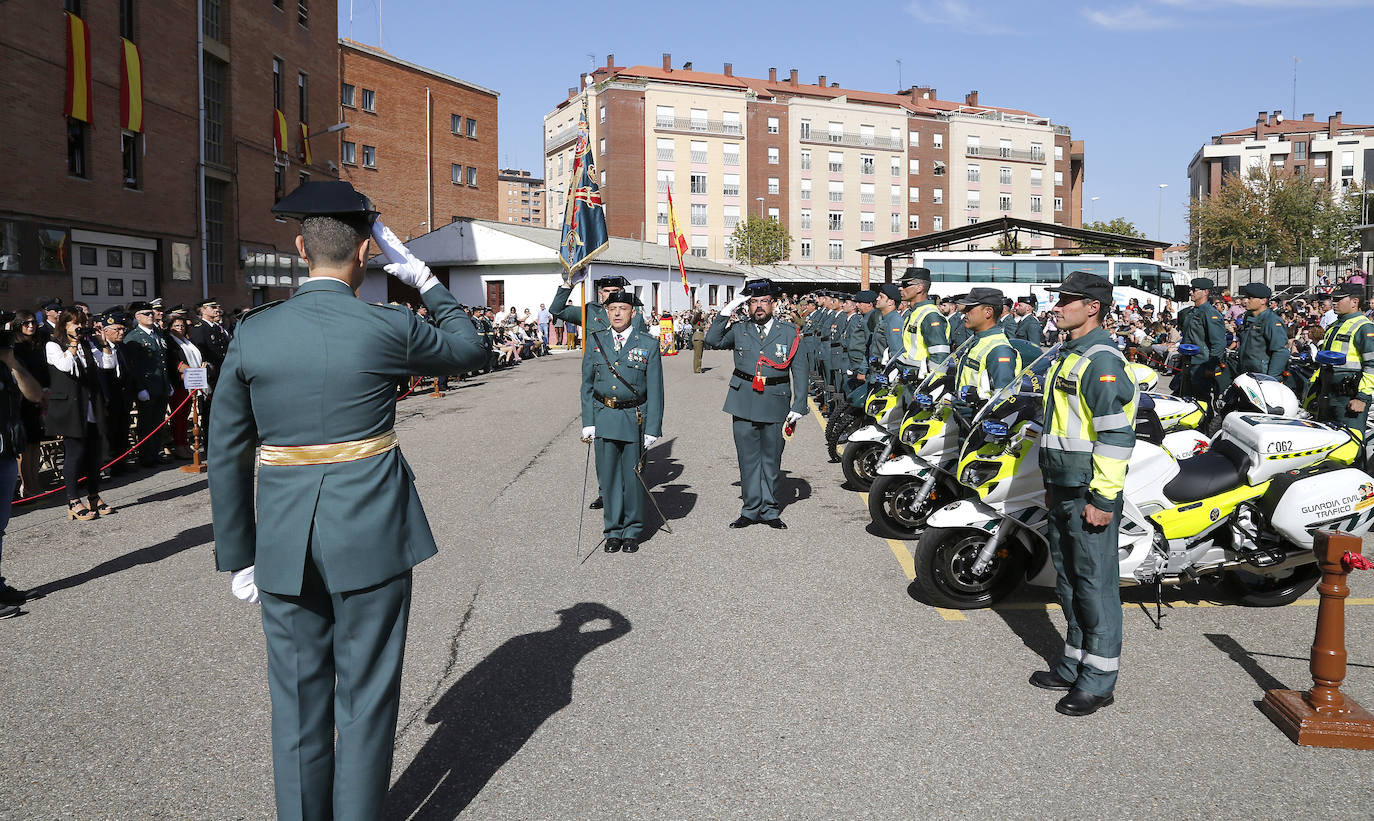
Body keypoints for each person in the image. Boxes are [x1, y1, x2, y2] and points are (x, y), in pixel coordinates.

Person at [209, 181, 486, 821]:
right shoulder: (386, 325)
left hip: (281, 539)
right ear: (367, 252)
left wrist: (238, 553)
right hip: (370, 533)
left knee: (298, 703)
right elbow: (470, 347)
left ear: (301, 247)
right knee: (364, 700)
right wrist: (420, 275)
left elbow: (226, 452)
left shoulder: (253, 333)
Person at [1032, 270, 1138, 717]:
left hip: (1088, 490)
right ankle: (1075, 662)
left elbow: (1116, 438)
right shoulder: (1068, 353)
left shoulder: (1101, 360)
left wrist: (1103, 500)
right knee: (1071, 581)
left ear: (1092, 307)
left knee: (1096, 586)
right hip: (1062, 484)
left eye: (1067, 300)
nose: (1057, 306)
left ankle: (1098, 681)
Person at [705, 278, 807, 530]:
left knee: (771, 459)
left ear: (773, 304)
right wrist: (726, 311)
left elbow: (801, 370)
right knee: (747, 459)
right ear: (747, 306)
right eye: (753, 302)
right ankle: (750, 509)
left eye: (763, 301)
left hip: (776, 400)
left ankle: (770, 509)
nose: (759, 306)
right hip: (743, 401)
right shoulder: (740, 329)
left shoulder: (789, 332)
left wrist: (799, 404)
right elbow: (712, 340)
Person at [580, 291, 664, 554]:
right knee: (609, 479)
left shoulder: (648, 344)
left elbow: (656, 389)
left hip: (634, 418)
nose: (617, 313)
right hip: (605, 416)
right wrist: (588, 421)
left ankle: (632, 530)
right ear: (606, 312)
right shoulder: (596, 341)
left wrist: (653, 427)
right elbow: (587, 386)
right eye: (612, 308)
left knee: (633, 477)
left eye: (622, 308)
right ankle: (613, 531)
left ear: (633, 312)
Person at [45, 309, 114, 521]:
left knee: (94, 454)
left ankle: (94, 495)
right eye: (74, 323)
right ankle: (73, 500)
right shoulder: (53, 344)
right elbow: (65, 366)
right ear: (64, 324)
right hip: (70, 407)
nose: (79, 326)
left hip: (90, 404)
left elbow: (108, 365)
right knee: (75, 454)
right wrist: (73, 343)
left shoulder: (88, 343)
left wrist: (103, 343)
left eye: (82, 323)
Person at [0, 313, 45, 617]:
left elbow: (34, 395)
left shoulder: (6, 363)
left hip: (5, 450)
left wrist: (13, 363)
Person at [1314, 282, 1374, 442]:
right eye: (1334, 299)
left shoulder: (1365, 327)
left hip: (1349, 399)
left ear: (1355, 302)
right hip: (1328, 395)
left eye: (1340, 299)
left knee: (1349, 444)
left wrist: (1362, 398)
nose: (1334, 302)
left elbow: (1372, 366)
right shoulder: (1334, 326)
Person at [122, 300, 171, 466]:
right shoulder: (133, 337)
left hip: (161, 384)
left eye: (151, 313)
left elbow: (163, 361)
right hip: (147, 386)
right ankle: (146, 456)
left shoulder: (157, 333)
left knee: (158, 422)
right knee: (146, 423)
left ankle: (156, 452)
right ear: (137, 316)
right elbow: (134, 367)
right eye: (146, 314)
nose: (151, 316)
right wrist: (141, 388)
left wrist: (168, 382)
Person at [953, 288, 1021, 406]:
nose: (964, 312)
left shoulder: (999, 349)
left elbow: (1003, 401)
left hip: (976, 420)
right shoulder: (978, 340)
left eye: (970, 309)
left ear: (988, 312)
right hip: (963, 415)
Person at [11, 311, 48, 498]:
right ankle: (26, 486)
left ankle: (35, 482)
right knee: (24, 447)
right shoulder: (14, 348)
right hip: (21, 402)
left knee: (35, 444)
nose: (31, 326)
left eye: (33, 322)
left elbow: (42, 372)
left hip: (37, 399)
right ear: (18, 325)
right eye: (26, 323)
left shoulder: (36, 346)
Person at [164, 311, 205, 460]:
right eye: (176, 326)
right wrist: (192, 371)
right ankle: (179, 445)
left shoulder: (187, 341)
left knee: (187, 415)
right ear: (170, 327)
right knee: (179, 416)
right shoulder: (170, 341)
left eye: (182, 325)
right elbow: (175, 362)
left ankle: (185, 445)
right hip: (179, 382)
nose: (180, 328)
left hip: (192, 381)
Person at [1176, 277, 1226, 402]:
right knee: (1185, 397)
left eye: (1194, 290)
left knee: (1201, 400)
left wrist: (1210, 367)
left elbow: (1218, 343)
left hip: (1201, 364)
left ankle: (1207, 421)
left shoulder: (1210, 313)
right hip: (1188, 362)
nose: (1190, 292)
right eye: (1190, 289)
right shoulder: (1191, 312)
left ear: (1206, 292)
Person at [896, 268, 951, 376]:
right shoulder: (915, 312)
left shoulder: (930, 316)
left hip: (920, 382)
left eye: (905, 284)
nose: (900, 288)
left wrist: (930, 386)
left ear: (919, 288)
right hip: (910, 377)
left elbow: (939, 356)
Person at [1233, 282, 1289, 379]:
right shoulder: (1249, 318)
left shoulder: (1271, 320)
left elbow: (1280, 351)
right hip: (1245, 371)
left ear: (1263, 301)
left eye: (1250, 298)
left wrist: (1271, 378)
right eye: (1246, 297)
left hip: (1261, 374)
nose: (1246, 301)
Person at [188, 298, 231, 391]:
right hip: (211, 372)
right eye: (212, 307)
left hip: (222, 369)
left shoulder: (216, 327)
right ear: (203, 310)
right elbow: (199, 349)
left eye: (216, 307)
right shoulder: (199, 328)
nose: (216, 310)